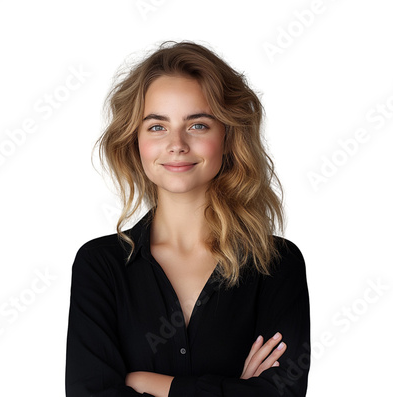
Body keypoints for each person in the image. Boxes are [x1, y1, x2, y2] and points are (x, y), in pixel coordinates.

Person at [65, 41, 310, 397]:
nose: (176, 143)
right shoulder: (101, 265)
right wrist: (234, 389)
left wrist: (151, 384)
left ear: (227, 137)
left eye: (197, 125)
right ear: (135, 141)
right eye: (156, 126)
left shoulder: (276, 263)